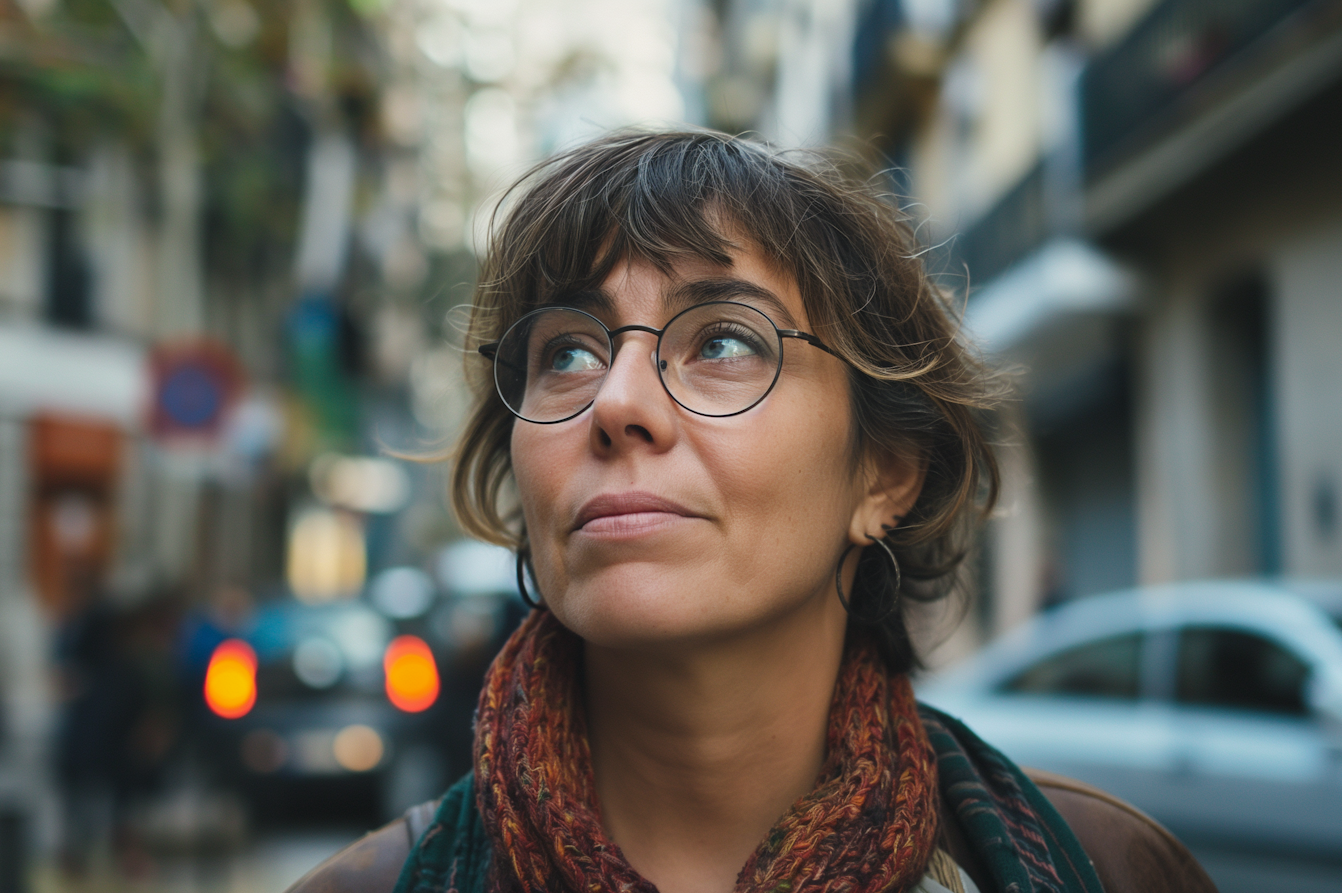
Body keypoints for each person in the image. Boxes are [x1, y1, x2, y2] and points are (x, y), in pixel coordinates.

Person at [290, 130, 1214, 893]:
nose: (616, 401)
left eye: (723, 340)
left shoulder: (1108, 868)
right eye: (567, 353)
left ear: (884, 474)